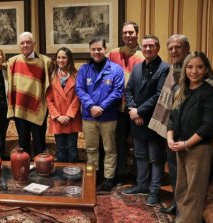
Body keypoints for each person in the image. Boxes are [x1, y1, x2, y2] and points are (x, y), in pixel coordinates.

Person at [167, 51, 213, 223]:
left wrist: (186, 144)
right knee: (181, 189)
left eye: (199, 67)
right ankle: (182, 219)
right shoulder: (179, 89)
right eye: (190, 67)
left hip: (198, 148)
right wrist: (170, 138)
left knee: (194, 192)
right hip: (180, 146)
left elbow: (207, 126)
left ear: (206, 69)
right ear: (185, 69)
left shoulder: (211, 92)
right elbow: (172, 118)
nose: (194, 71)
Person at [122, 35, 169, 206]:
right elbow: (128, 91)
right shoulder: (136, 68)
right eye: (145, 46)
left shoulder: (165, 68)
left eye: (151, 46)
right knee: (140, 155)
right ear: (141, 48)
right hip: (137, 120)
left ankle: (154, 191)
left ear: (158, 48)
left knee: (156, 158)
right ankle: (142, 185)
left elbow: (160, 95)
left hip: (154, 121)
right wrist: (134, 111)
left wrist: (140, 112)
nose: (148, 49)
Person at [148, 34, 190, 215]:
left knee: (187, 174)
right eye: (171, 48)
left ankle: (186, 209)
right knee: (173, 169)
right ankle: (177, 202)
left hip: (189, 132)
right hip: (172, 129)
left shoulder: (195, 66)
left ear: (187, 48)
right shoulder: (174, 68)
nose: (174, 51)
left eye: (178, 47)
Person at [76, 37, 124, 191]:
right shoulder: (84, 69)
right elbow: (80, 90)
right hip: (89, 116)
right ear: (90, 51)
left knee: (110, 149)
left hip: (108, 116)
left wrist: (101, 107)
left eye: (99, 49)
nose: (96, 52)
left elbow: (118, 92)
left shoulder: (116, 69)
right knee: (91, 149)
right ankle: (93, 176)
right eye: (93, 49)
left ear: (105, 50)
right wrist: (91, 106)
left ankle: (109, 179)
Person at [108, 21, 145, 185]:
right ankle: (120, 175)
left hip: (136, 108)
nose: (128, 35)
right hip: (116, 107)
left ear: (137, 34)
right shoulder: (113, 54)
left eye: (131, 32)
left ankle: (139, 178)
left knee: (138, 144)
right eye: (125, 33)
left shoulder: (144, 54)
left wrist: (139, 108)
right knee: (119, 142)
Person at [7, 32, 51, 157]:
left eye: (28, 42)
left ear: (34, 44)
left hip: (38, 108)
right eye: (22, 43)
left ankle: (40, 171)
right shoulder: (12, 62)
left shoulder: (46, 62)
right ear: (19, 45)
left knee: (39, 143)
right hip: (20, 108)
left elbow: (50, 87)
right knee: (23, 143)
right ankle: (23, 170)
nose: (25, 45)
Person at [46, 47, 82, 163]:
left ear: (69, 59)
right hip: (58, 119)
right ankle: (61, 177)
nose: (61, 60)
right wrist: (58, 116)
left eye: (64, 57)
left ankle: (73, 177)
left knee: (72, 148)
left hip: (72, 118)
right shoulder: (52, 76)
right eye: (59, 57)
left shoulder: (77, 75)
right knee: (60, 149)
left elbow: (78, 97)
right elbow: (49, 99)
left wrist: (69, 115)